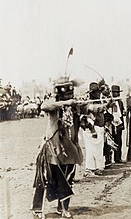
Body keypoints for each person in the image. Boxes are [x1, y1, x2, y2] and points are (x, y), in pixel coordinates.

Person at [31, 77, 83, 218]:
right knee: (44, 178)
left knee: (68, 178)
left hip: (70, 150)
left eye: (71, 95)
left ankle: (63, 208)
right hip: (52, 148)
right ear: (61, 95)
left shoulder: (74, 108)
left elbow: (92, 108)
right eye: (67, 95)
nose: (71, 97)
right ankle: (37, 209)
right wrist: (65, 103)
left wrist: (105, 104)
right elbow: (44, 106)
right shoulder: (55, 106)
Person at [111, 85, 125, 163]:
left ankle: (118, 158)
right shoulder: (110, 101)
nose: (117, 94)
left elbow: (121, 113)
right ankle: (108, 159)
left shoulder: (120, 102)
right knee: (111, 141)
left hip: (119, 123)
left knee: (119, 141)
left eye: (118, 92)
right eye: (115, 92)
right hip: (112, 124)